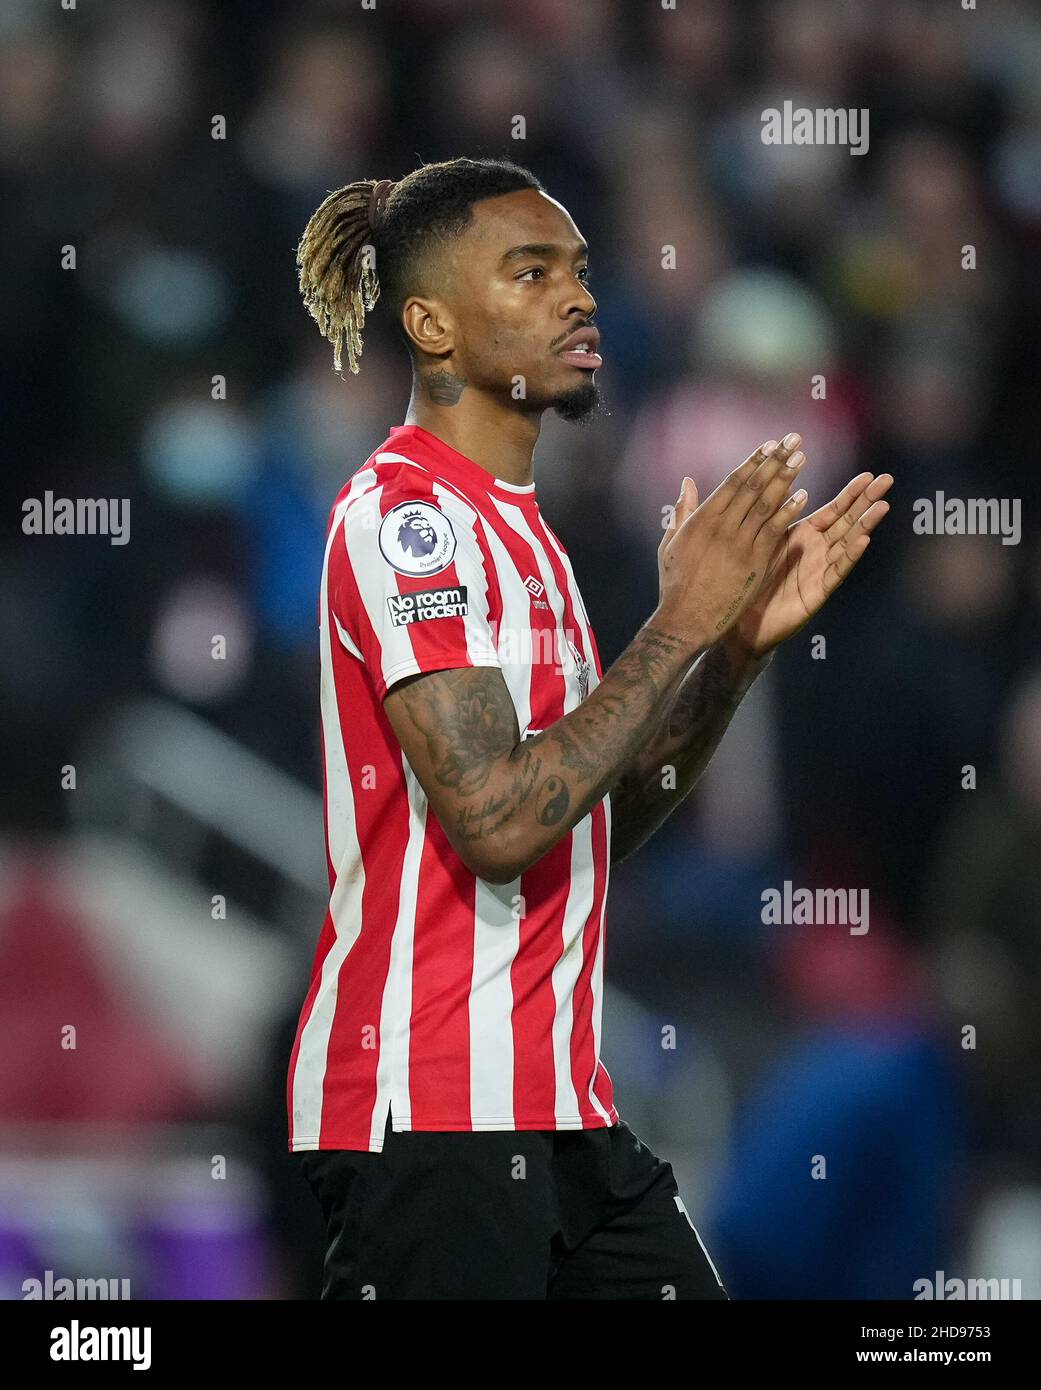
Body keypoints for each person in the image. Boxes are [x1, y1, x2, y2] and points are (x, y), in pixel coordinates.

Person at [285, 156, 891, 1299]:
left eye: (579, 269)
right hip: (430, 1111)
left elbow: (587, 818)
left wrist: (731, 651)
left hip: (559, 1109)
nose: (580, 297)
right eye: (530, 272)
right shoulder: (405, 521)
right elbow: (501, 821)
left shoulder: (532, 540)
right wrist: (676, 626)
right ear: (433, 324)